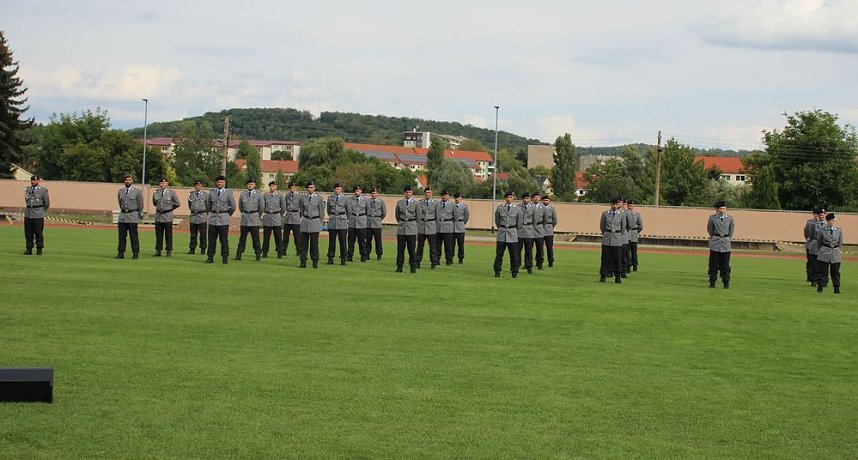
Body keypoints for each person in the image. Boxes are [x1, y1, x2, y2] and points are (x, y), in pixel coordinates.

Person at [205, 175, 235, 264]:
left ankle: (225, 257)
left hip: (223, 218)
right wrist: (212, 213)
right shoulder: (211, 193)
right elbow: (208, 205)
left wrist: (227, 214)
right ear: (216, 183)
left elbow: (233, 207)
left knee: (223, 239)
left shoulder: (229, 193)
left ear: (224, 183)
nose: (219, 183)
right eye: (218, 182)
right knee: (211, 240)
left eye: (221, 182)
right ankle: (210, 257)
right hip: (213, 218)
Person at [707, 200, 734, 288]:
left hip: (725, 243)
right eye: (720, 208)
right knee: (713, 264)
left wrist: (727, 239)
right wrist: (714, 237)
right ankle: (712, 281)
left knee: (725, 264)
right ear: (717, 209)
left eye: (724, 208)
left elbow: (731, 231)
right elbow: (710, 229)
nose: (722, 210)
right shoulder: (712, 218)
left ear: (726, 209)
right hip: (715, 242)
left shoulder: (730, 219)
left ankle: (726, 282)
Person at [494, 191, 521, 278]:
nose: (509, 199)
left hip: (512, 233)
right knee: (499, 254)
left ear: (513, 198)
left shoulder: (517, 209)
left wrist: (514, 230)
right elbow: (497, 221)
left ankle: (514, 271)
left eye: (511, 197)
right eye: (507, 197)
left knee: (514, 255)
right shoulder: (500, 208)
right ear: (505, 198)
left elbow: (519, 223)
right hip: (502, 233)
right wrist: (501, 228)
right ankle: (497, 271)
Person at [395, 185, 422, 273]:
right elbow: (397, 216)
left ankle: (413, 267)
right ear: (404, 193)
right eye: (406, 192)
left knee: (411, 250)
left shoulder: (416, 203)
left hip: (411, 228)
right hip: (402, 228)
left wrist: (414, 225)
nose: (408, 194)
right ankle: (399, 266)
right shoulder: (399, 203)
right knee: (400, 250)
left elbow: (418, 217)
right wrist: (402, 222)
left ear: (412, 193)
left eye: (410, 192)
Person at [116, 174, 143, 260]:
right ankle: (121, 252)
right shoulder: (120, 191)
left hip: (132, 216)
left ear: (132, 181)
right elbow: (120, 203)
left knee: (133, 236)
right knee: (122, 236)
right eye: (126, 180)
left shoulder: (137, 192)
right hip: (123, 216)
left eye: (129, 180)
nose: (127, 181)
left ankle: (135, 253)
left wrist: (139, 214)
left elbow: (140, 204)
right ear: (124, 181)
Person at [236, 179, 264, 261]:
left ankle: (258, 254)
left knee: (256, 238)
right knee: (242, 238)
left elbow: (261, 208)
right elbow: (240, 206)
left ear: (254, 185)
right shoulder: (243, 194)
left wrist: (257, 215)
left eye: (251, 184)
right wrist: (245, 213)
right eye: (248, 184)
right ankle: (239, 254)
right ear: (246, 185)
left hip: (254, 218)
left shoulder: (258, 195)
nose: (250, 185)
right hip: (245, 218)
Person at [299, 181, 325, 268]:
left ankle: (315, 261)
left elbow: (321, 212)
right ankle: (303, 261)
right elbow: (301, 211)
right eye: (309, 187)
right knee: (303, 244)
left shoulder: (319, 198)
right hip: (305, 222)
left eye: (311, 187)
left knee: (314, 244)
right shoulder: (303, 198)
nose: (310, 189)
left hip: (314, 221)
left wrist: (319, 222)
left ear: (314, 188)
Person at [599, 197, 626, 283]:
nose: (614, 206)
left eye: (616, 204)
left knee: (617, 258)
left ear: (618, 204)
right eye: (613, 204)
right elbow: (602, 226)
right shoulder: (605, 214)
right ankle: (603, 275)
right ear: (610, 204)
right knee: (605, 258)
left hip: (617, 238)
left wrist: (618, 235)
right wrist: (606, 233)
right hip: (607, 238)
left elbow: (623, 227)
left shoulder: (622, 214)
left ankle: (618, 276)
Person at [815, 213, 843, 294]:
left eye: (832, 220)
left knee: (835, 272)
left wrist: (836, 250)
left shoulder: (839, 231)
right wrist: (823, 250)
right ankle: (820, 287)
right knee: (823, 271)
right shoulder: (822, 230)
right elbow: (819, 243)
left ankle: (836, 288)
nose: (831, 222)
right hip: (824, 251)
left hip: (835, 252)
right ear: (827, 221)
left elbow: (840, 243)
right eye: (829, 221)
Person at [152, 177, 180, 257]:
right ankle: (158, 250)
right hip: (158, 216)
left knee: (168, 235)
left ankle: (169, 250)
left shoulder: (171, 193)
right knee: (158, 234)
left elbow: (177, 203)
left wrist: (170, 209)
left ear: (167, 184)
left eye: (164, 183)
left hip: (167, 216)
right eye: (160, 183)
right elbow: (154, 203)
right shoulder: (156, 192)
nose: (162, 184)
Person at [23, 175, 50, 255]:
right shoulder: (27, 189)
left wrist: (42, 211)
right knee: (28, 233)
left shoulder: (43, 190)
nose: (32, 182)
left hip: (38, 214)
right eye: (31, 180)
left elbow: (47, 203)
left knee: (38, 232)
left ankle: (39, 249)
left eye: (34, 180)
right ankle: (29, 249)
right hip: (28, 213)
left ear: (38, 181)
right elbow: (27, 200)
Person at [262, 181, 286, 258]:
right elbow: (263, 206)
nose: (271, 187)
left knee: (278, 237)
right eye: (271, 186)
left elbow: (283, 208)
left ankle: (279, 252)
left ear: (276, 187)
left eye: (273, 186)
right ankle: (265, 252)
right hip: (267, 217)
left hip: (276, 217)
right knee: (266, 237)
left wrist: (279, 215)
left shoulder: (280, 195)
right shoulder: (265, 195)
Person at [416, 187, 439, 269]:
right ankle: (417, 262)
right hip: (422, 226)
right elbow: (418, 215)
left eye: (429, 192)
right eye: (426, 192)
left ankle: (433, 262)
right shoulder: (420, 203)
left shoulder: (436, 203)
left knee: (433, 247)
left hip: (431, 226)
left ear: (432, 193)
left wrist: (436, 227)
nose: (427, 194)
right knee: (420, 246)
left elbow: (438, 216)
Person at [346, 185, 370, 262]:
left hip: (362, 222)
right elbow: (348, 210)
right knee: (351, 241)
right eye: (356, 191)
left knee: (362, 241)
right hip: (352, 222)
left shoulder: (366, 200)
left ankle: (363, 256)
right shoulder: (349, 200)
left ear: (361, 191)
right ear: (354, 192)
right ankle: (349, 256)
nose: (357, 192)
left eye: (358, 191)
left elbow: (368, 211)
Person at [326, 183, 349, 265]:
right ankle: (330, 258)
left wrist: (345, 218)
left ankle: (343, 258)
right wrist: (332, 216)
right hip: (333, 221)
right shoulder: (330, 198)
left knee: (343, 241)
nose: (337, 190)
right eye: (335, 189)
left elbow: (348, 211)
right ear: (334, 190)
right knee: (331, 241)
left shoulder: (345, 198)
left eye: (338, 189)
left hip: (342, 221)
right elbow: (328, 210)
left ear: (341, 190)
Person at [805, 207, 825, 286]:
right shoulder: (810, 222)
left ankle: (820, 278)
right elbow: (807, 233)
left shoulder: (825, 223)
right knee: (811, 262)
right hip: (812, 244)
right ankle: (811, 277)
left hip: (822, 246)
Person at [187, 180, 208, 255]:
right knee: (193, 235)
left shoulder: (206, 195)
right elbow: (189, 205)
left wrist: (204, 213)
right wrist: (193, 210)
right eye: (196, 185)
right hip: (193, 217)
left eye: (199, 185)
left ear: (201, 186)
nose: (197, 187)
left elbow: (208, 206)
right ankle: (192, 248)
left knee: (203, 234)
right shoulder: (191, 194)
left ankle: (203, 248)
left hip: (202, 217)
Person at [518, 192, 537, 274]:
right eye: (524, 198)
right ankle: (516, 266)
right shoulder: (518, 207)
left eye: (527, 198)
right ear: (522, 199)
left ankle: (529, 266)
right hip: (519, 230)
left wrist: (533, 229)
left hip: (529, 230)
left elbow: (535, 220)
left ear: (529, 199)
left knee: (528, 250)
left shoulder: (533, 208)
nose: (526, 200)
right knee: (517, 250)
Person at [437, 190, 457, 266]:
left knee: (448, 245)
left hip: (448, 227)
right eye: (443, 195)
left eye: (446, 195)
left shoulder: (452, 206)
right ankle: (437, 259)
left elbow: (456, 216)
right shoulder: (437, 204)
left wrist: (449, 222)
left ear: (448, 196)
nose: (445, 197)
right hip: (439, 227)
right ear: (441, 196)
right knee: (438, 245)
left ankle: (449, 260)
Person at [283, 182, 302, 257]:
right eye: (291, 187)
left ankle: (299, 251)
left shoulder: (300, 196)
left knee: (297, 237)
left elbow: (302, 207)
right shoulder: (287, 195)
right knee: (285, 236)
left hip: (296, 217)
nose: (292, 188)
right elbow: (285, 206)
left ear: (296, 187)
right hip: (288, 217)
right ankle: (283, 250)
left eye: (293, 187)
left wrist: (300, 217)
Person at [367, 188, 387, 260]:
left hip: (377, 222)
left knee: (378, 240)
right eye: (372, 193)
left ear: (377, 194)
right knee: (368, 240)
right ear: (370, 194)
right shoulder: (367, 201)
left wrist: (379, 219)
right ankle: (367, 253)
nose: (373, 195)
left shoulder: (381, 202)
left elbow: (384, 212)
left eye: (375, 193)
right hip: (368, 223)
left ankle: (379, 254)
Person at [627, 199, 644, 272]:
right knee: (627, 251)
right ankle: (628, 264)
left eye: (632, 206)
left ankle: (635, 265)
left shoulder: (637, 215)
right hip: (627, 234)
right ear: (627, 206)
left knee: (634, 251)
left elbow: (641, 226)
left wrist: (636, 232)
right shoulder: (625, 213)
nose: (631, 207)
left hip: (634, 234)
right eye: (630, 205)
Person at [453, 192, 469, 264]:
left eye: (458, 197)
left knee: (461, 244)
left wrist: (462, 223)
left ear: (461, 198)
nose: (457, 199)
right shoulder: (452, 206)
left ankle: (461, 258)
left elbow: (466, 217)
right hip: (452, 227)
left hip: (460, 227)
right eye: (455, 198)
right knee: (451, 244)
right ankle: (450, 257)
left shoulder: (464, 207)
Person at [531, 192, 546, 270]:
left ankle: (539, 263)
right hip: (530, 230)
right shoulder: (529, 207)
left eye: (538, 197)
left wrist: (541, 227)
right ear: (532, 198)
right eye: (535, 197)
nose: (536, 198)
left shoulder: (543, 207)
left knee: (540, 248)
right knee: (529, 248)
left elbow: (545, 220)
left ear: (540, 198)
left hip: (539, 229)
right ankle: (528, 263)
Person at [541, 195, 557, 267]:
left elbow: (555, 220)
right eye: (544, 200)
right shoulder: (540, 208)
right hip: (540, 229)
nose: (545, 201)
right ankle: (539, 261)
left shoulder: (552, 208)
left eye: (546, 200)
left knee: (549, 247)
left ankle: (550, 261)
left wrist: (551, 227)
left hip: (549, 229)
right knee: (540, 247)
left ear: (549, 201)